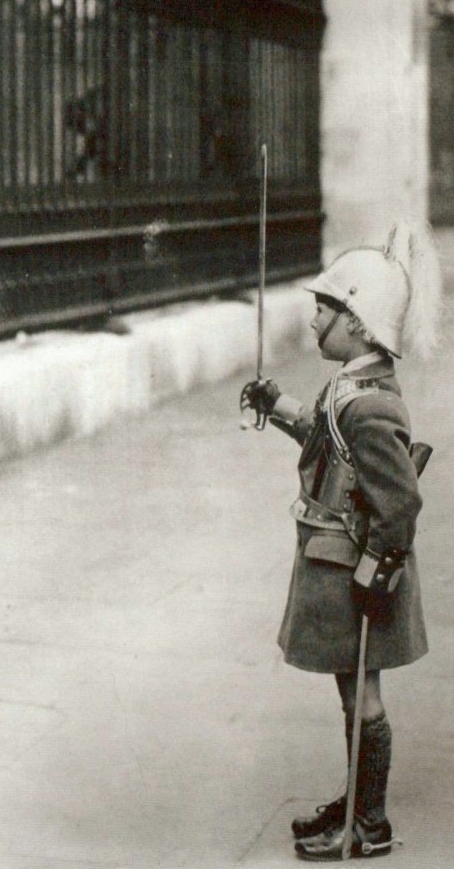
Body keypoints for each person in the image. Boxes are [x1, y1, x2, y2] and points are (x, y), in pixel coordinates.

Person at [241, 221, 441, 861]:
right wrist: (278, 406)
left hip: (357, 568)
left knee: (362, 694)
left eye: (323, 310)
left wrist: (377, 573)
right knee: (347, 689)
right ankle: (356, 798)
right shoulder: (352, 387)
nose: (312, 321)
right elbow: (329, 443)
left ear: (357, 322)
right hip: (336, 558)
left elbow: (400, 499)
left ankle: (369, 823)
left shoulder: (371, 403)